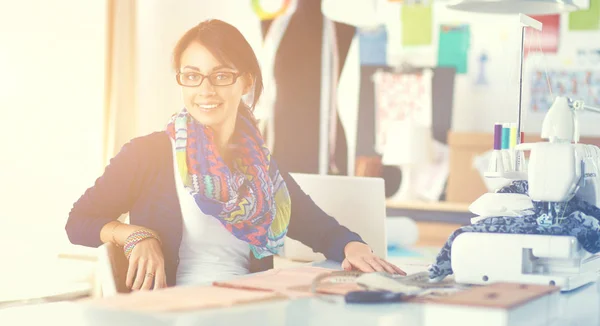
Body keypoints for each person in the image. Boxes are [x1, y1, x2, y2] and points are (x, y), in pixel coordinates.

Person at [65, 19, 405, 291]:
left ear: (245, 82)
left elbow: (322, 230)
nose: (206, 90)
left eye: (221, 75)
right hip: (178, 311)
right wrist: (136, 235)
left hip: (252, 307)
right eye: (192, 76)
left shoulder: (261, 168)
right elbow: (78, 221)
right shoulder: (147, 153)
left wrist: (354, 248)